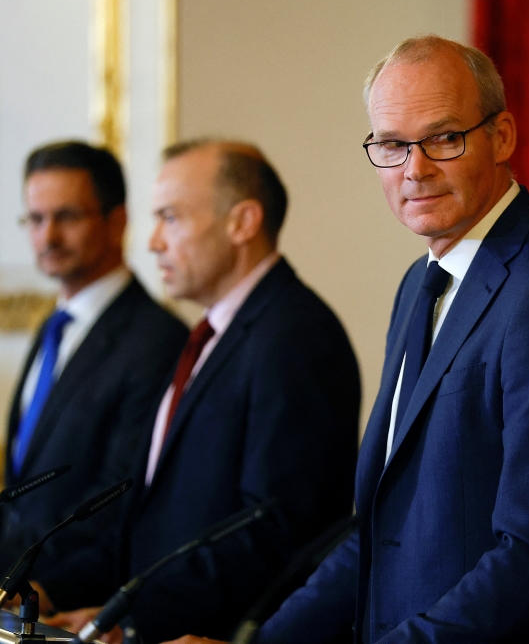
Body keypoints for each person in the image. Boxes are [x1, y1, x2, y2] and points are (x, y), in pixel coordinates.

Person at [221, 35, 529, 644]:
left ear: (502, 137)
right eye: (392, 144)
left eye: (444, 137)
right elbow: (376, 534)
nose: (415, 169)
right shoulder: (420, 282)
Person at [45, 140, 361, 643]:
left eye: (170, 217)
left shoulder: (296, 337)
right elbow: (155, 517)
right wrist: (93, 605)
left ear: (242, 222)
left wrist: (134, 619)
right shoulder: (212, 335)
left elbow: (274, 532)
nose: (152, 242)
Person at [0, 141, 188, 595]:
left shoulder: (156, 339)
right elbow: (22, 494)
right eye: (35, 218)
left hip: (74, 598)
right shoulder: (55, 327)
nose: (47, 236)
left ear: (118, 221)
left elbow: (113, 500)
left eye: (67, 217)